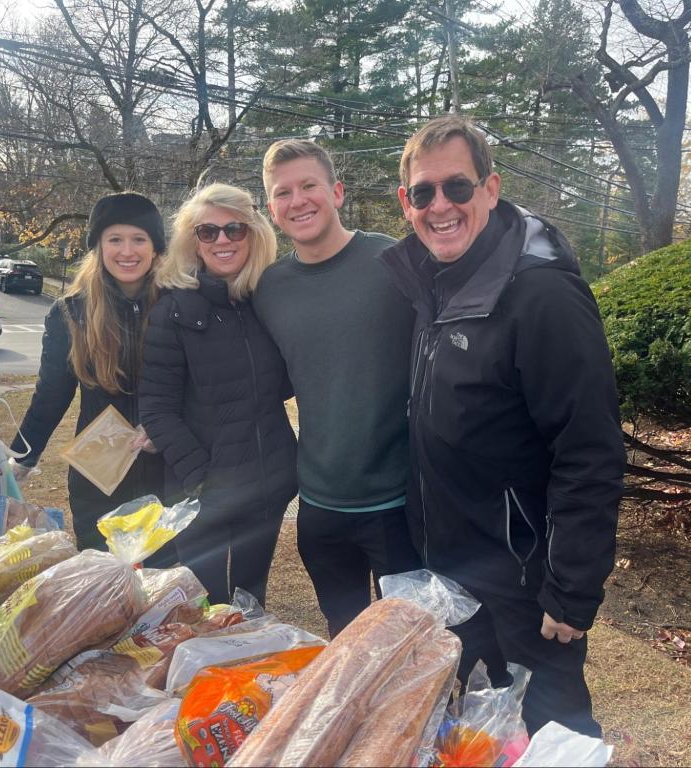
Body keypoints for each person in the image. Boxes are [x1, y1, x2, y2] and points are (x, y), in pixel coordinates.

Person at [378, 115, 625, 737]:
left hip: (522, 579)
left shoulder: (543, 296)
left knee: (554, 736)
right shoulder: (429, 284)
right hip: (449, 569)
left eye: (457, 187)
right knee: (477, 732)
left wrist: (572, 588)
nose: (441, 206)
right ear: (406, 202)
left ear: (490, 189)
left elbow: (589, 451)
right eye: (424, 192)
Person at [253, 139, 421, 637]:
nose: (298, 201)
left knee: (410, 647)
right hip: (320, 507)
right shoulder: (269, 288)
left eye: (309, 186)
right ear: (272, 209)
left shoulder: (395, 261)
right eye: (283, 193)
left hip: (399, 504)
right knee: (345, 644)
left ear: (338, 192)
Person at [137, 184, 297, 606]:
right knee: (206, 608)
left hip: (268, 486)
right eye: (208, 231)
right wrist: (203, 480)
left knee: (250, 601)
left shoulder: (267, 302)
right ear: (194, 241)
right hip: (203, 494)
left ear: (253, 234)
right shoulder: (173, 311)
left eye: (234, 229)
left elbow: (283, 383)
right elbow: (156, 408)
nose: (222, 240)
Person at [11, 191, 177, 556]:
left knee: (168, 579)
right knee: (101, 578)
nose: (127, 251)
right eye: (114, 239)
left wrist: (170, 426)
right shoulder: (70, 313)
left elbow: (202, 384)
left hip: (170, 473)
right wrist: (22, 456)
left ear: (155, 248)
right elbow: (50, 394)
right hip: (99, 477)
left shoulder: (179, 305)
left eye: (139, 239)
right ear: (98, 247)